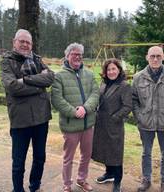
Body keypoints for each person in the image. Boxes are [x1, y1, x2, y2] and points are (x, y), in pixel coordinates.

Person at [0, 29, 54, 192]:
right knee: (18, 161)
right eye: (21, 41)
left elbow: (50, 77)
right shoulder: (7, 62)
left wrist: (25, 80)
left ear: (31, 44)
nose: (25, 44)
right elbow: (12, 87)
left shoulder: (36, 59)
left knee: (40, 157)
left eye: (28, 42)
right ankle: (18, 189)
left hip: (41, 117)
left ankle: (35, 186)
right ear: (14, 42)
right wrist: (39, 87)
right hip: (20, 119)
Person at [132, 46, 164, 192]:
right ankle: (146, 180)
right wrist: (139, 116)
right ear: (147, 57)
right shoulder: (138, 77)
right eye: (152, 56)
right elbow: (134, 99)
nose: (155, 59)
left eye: (158, 56)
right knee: (146, 153)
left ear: (163, 58)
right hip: (145, 123)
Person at [51, 43, 99, 192]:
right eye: (74, 54)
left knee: (86, 155)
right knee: (68, 158)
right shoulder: (59, 76)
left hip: (88, 124)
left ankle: (81, 179)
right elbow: (57, 100)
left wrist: (85, 108)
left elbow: (95, 94)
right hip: (71, 125)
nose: (77, 57)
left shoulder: (90, 74)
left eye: (80, 54)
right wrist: (74, 112)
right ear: (67, 56)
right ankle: (67, 184)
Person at [92, 58, 132, 192]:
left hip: (114, 125)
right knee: (105, 150)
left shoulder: (124, 86)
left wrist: (115, 117)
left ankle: (117, 181)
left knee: (115, 153)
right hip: (101, 124)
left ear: (119, 70)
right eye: (108, 69)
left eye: (114, 69)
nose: (111, 72)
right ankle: (109, 174)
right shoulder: (103, 84)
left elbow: (127, 106)